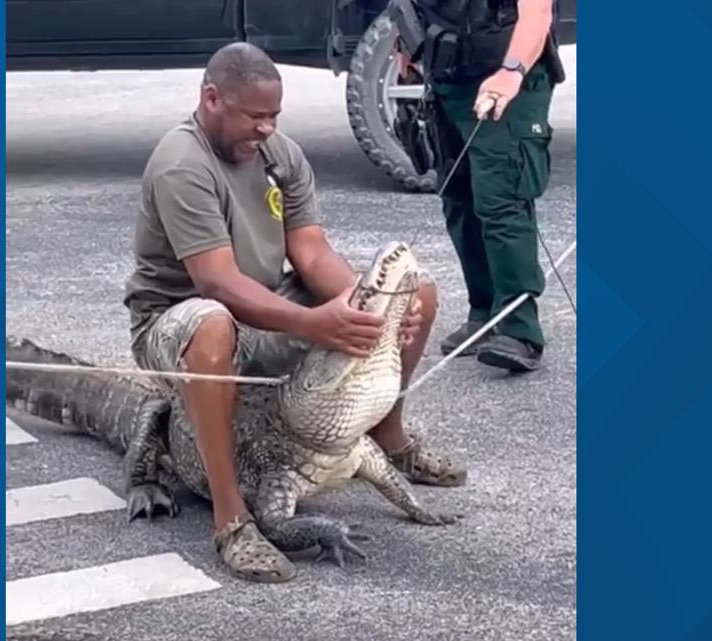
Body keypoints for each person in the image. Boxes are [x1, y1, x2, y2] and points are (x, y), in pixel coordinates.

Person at [122, 42, 465, 583]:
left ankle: (389, 434)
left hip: (265, 298)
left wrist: (367, 310)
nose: (266, 129)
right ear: (211, 99)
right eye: (254, 116)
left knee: (414, 291)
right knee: (211, 324)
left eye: (274, 116)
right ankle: (231, 517)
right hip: (180, 315)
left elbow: (309, 253)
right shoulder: (181, 163)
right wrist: (314, 323)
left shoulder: (280, 154)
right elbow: (217, 281)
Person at [406, 0, 566, 371]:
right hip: (448, 76)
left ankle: (520, 329)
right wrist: (405, 48)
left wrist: (510, 73)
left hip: (508, 80)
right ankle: (485, 314)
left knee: (502, 201)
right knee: (458, 200)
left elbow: (536, 14)